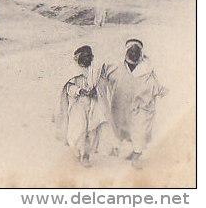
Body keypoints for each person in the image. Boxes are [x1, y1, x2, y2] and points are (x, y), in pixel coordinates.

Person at [108, 39, 165, 168]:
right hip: (123, 104)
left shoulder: (147, 68)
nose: (133, 52)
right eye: (131, 49)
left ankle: (137, 156)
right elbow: (107, 79)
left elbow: (156, 84)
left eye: (136, 49)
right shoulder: (117, 67)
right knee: (123, 128)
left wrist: (158, 91)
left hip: (142, 105)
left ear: (140, 53)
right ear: (127, 52)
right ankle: (131, 151)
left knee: (140, 130)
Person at [54, 45, 111, 167]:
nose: (86, 59)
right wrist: (80, 91)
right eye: (83, 56)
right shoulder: (72, 70)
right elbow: (68, 88)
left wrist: (96, 91)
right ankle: (78, 150)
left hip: (93, 103)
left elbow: (103, 86)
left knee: (92, 129)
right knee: (79, 129)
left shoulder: (95, 70)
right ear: (78, 58)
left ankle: (86, 155)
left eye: (88, 56)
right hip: (78, 104)